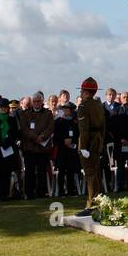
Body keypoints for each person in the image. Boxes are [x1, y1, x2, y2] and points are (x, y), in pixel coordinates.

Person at [76, 78, 108, 211]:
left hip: (88, 143)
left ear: (84, 91)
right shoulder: (98, 105)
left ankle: (92, 202)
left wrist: (83, 147)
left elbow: (84, 129)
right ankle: (99, 200)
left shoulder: (83, 106)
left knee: (90, 173)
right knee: (96, 172)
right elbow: (104, 127)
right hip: (98, 141)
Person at [18, 91, 55, 199]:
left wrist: (42, 137)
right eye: (34, 101)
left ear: (42, 102)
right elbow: (24, 129)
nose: (37, 103)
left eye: (39, 101)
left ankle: (41, 192)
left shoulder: (48, 114)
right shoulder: (25, 113)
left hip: (43, 148)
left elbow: (50, 127)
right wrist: (35, 137)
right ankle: (29, 193)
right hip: (30, 147)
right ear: (32, 102)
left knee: (42, 171)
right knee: (29, 172)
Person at [53, 97, 80, 195]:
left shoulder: (75, 122)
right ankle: (60, 190)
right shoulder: (58, 122)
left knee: (71, 170)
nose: (65, 111)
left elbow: (78, 135)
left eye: (67, 109)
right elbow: (55, 137)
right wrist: (64, 140)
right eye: (64, 109)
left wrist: (72, 141)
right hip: (62, 149)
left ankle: (71, 190)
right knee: (61, 170)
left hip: (72, 149)